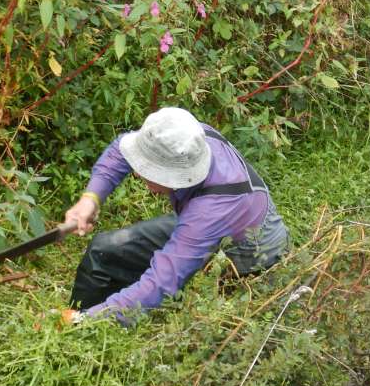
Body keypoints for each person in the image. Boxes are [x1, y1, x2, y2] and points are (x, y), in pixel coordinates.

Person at [62, 107, 289, 325]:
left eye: (154, 174)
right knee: (106, 249)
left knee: (216, 332)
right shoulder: (181, 137)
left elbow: (162, 282)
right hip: (206, 222)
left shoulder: (211, 209)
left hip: (253, 255)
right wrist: (90, 199)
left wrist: (87, 322)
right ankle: (79, 325)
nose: (146, 182)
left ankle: (88, 324)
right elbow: (120, 151)